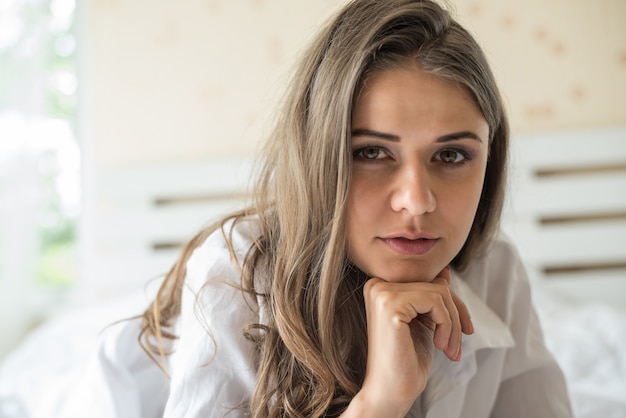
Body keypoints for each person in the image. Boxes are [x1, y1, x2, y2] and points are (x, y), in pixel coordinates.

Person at [61, 0, 573, 417]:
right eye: (371, 153)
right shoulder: (236, 273)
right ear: (318, 156)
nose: (416, 201)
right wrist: (380, 402)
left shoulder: (494, 270)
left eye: (453, 155)